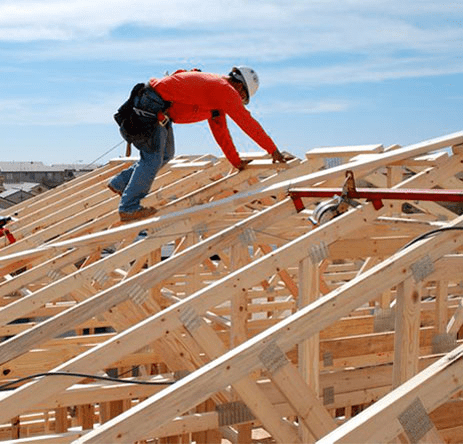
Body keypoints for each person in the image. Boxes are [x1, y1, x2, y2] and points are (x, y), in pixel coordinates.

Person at [108, 66, 288, 222]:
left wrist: (236, 161)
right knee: (152, 158)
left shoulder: (217, 98)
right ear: (239, 85)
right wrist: (272, 150)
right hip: (152, 105)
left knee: (165, 155)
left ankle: (120, 183)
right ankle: (129, 207)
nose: (238, 101)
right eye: (241, 97)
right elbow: (247, 122)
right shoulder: (225, 90)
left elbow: (222, 134)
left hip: (160, 109)